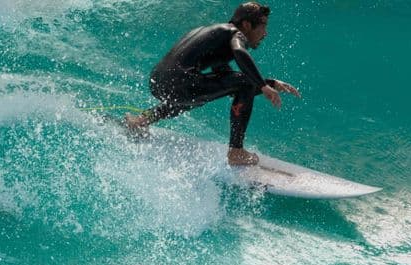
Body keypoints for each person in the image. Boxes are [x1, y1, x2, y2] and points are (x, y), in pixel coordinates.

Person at [124, 2, 300, 166]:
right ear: (246, 25)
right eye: (263, 26)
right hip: (180, 84)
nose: (265, 33)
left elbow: (227, 80)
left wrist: (270, 83)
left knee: (198, 96)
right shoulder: (234, 33)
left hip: (158, 82)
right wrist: (263, 85)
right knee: (242, 84)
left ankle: (141, 120)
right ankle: (236, 151)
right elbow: (240, 53)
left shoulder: (215, 34)